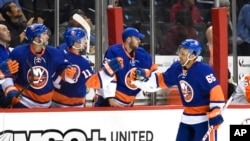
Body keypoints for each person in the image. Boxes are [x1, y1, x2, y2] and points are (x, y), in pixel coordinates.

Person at [131, 39, 225, 141]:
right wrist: (144, 78)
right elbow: (161, 81)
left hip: (204, 120)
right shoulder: (177, 68)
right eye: (180, 52)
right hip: (186, 119)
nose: (180, 56)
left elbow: (215, 90)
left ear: (193, 55)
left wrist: (216, 110)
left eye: (183, 54)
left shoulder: (204, 70)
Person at [1, 23, 81, 108]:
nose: (48, 37)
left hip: (46, 104)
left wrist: (69, 73)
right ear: (36, 38)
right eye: (44, 34)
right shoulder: (19, 52)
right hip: (24, 101)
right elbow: (7, 73)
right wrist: (10, 89)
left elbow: (63, 69)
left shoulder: (54, 53)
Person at [52, 27, 123, 108]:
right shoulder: (83, 64)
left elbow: (69, 58)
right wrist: (109, 69)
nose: (85, 41)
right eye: (83, 39)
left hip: (54, 99)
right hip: (72, 105)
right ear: (75, 44)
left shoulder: (61, 49)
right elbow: (96, 82)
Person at [93, 27, 158, 107]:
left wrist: (146, 85)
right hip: (109, 101)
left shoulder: (142, 54)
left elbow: (153, 70)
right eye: (137, 38)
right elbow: (107, 74)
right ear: (128, 39)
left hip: (129, 102)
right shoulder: (114, 51)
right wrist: (110, 99)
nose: (139, 41)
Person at [0, 24, 19, 107]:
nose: (8, 31)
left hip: (10, 91)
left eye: (7, 29)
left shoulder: (10, 51)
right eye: (4, 30)